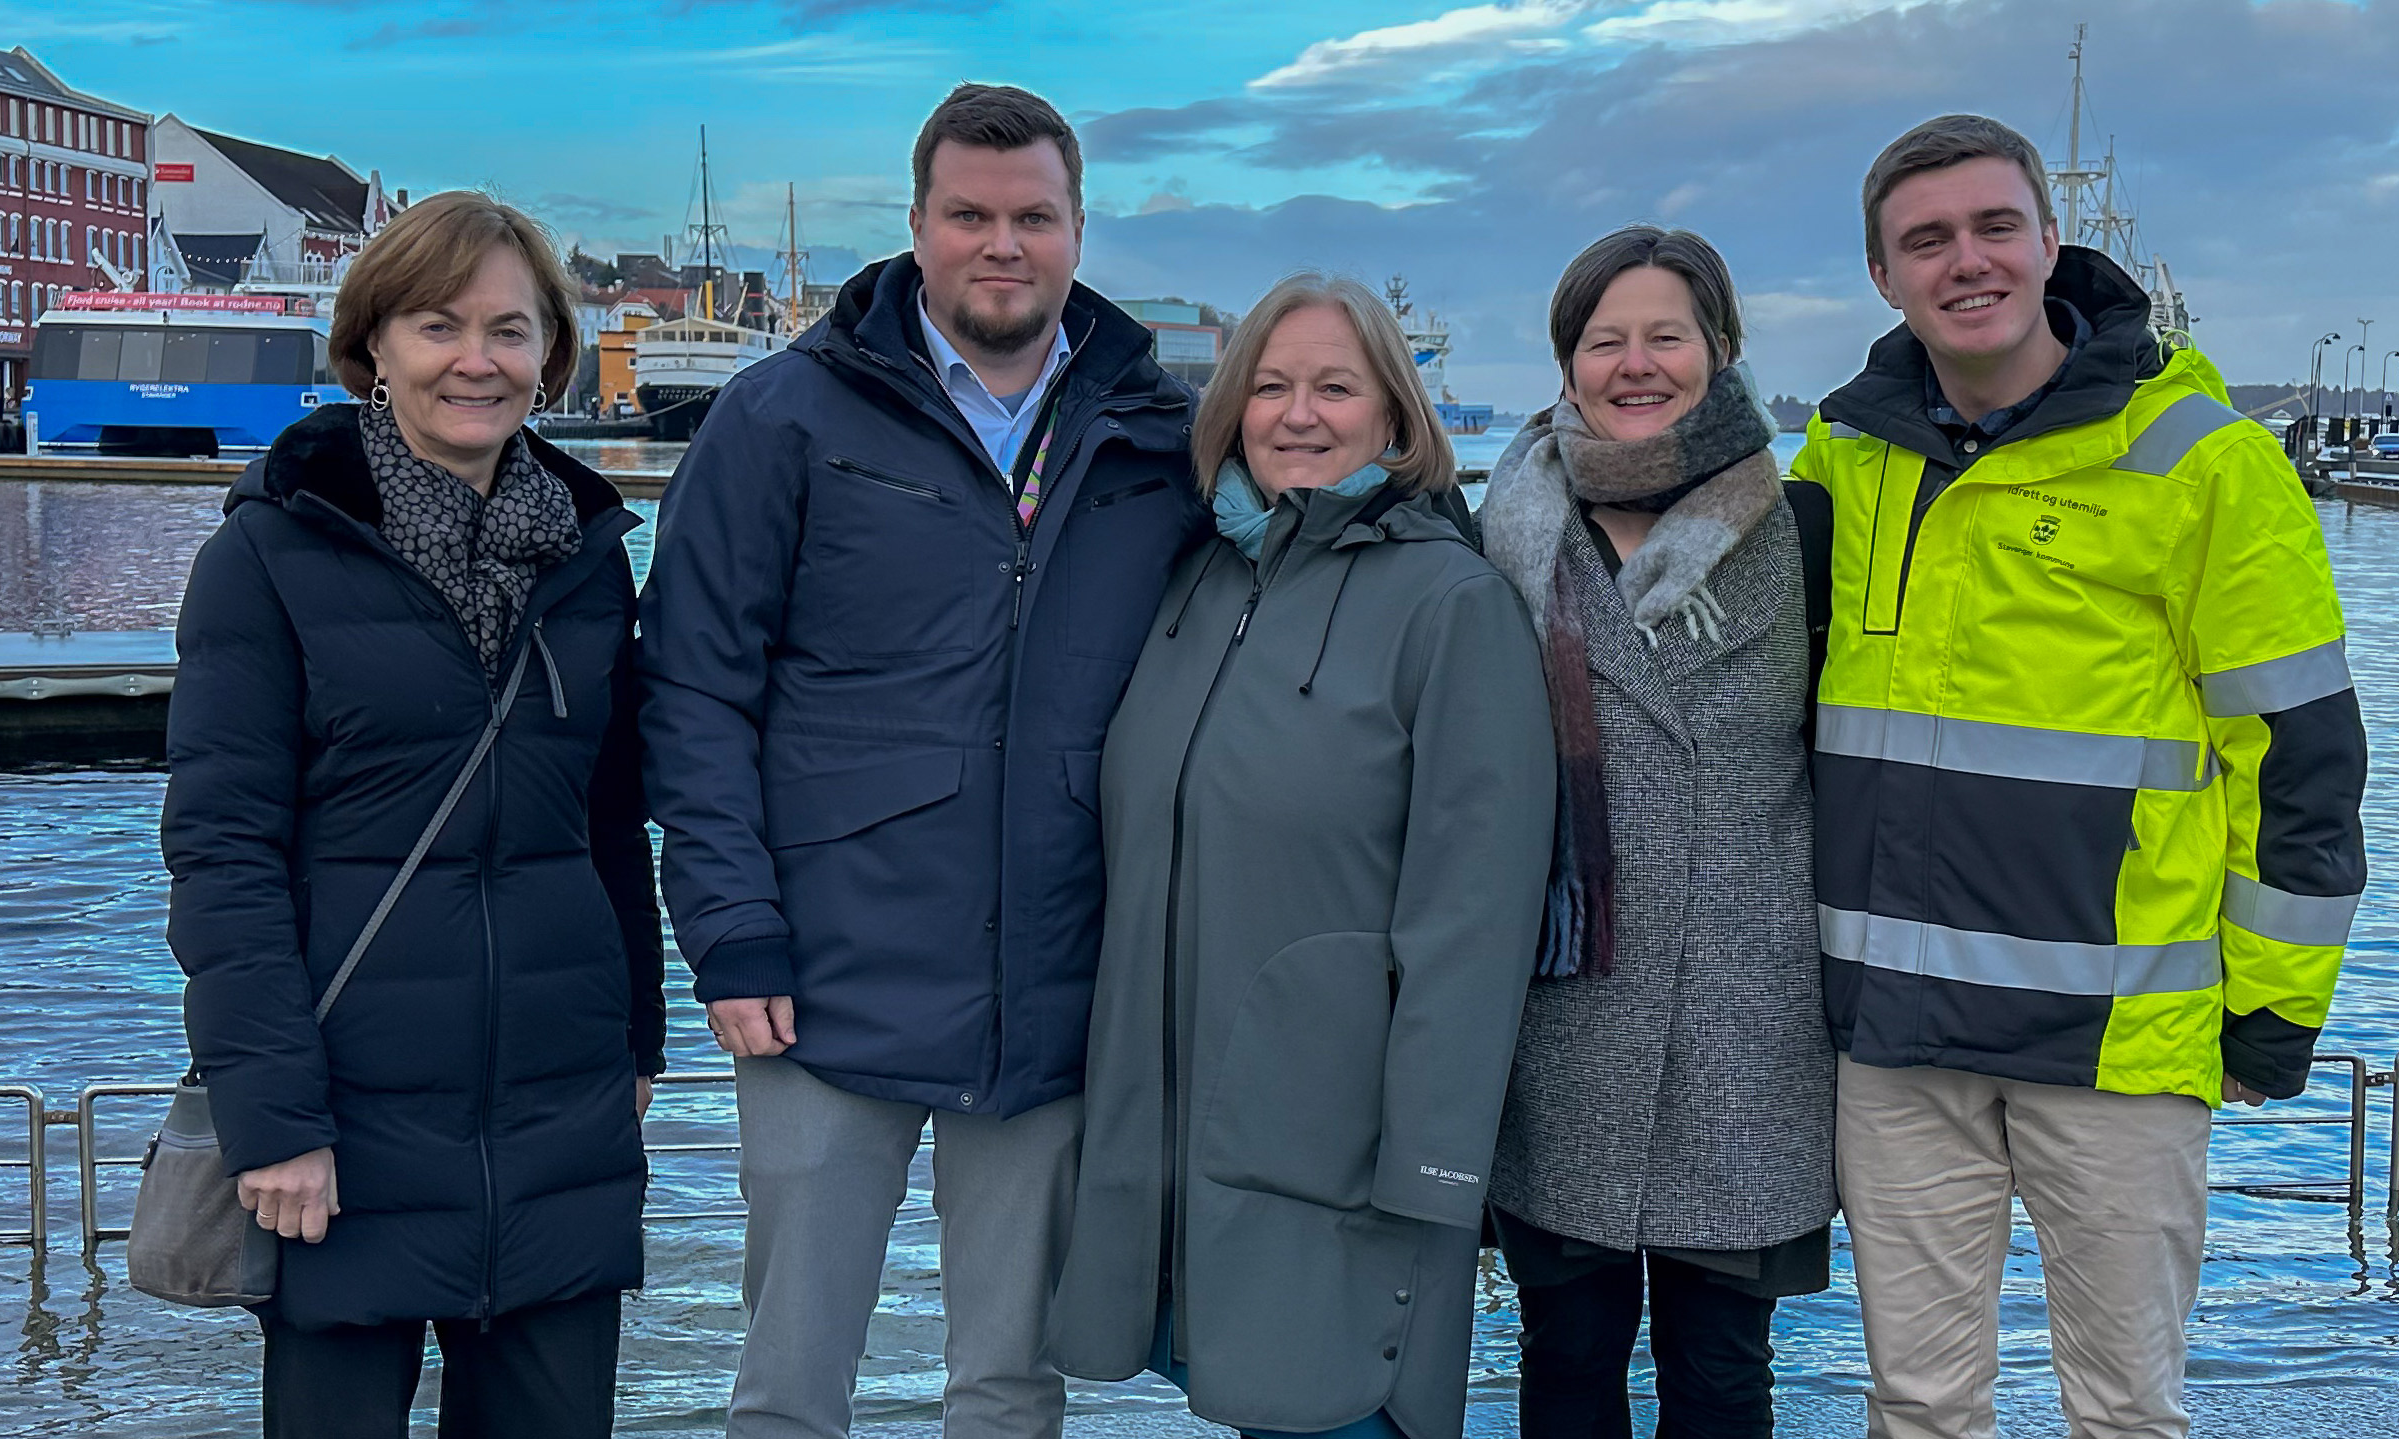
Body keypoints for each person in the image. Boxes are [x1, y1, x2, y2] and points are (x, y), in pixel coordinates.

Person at [638, 84, 1207, 1439]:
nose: (999, 243)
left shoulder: (1153, 438)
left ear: (1076, 229)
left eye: (1031, 216)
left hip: (1056, 979)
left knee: (1011, 1383)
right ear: (914, 226)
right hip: (817, 977)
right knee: (788, 1383)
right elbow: (691, 691)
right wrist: (730, 933)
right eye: (969, 215)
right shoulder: (780, 418)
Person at [1793, 114, 2368, 1438]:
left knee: (2120, 1409)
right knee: (1917, 1403)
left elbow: (2299, 759)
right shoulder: (1844, 459)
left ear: (2050, 240)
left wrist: (2271, 1011)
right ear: (1881, 276)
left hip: (2111, 1042)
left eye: (1994, 225)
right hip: (1892, 1039)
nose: (1965, 261)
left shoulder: (2202, 463)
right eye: (1922, 240)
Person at [162, 191, 666, 1439]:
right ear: (373, 343)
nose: (476, 362)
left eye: (510, 329)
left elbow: (611, 823)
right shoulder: (271, 552)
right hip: (344, 1118)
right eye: (439, 325)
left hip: (558, 1109)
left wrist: (639, 1041)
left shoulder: (590, 559)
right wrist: (274, 1119)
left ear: (551, 351)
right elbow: (222, 853)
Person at [1046, 273, 1556, 1439]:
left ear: (1395, 416)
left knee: (1339, 1411)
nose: (1300, 413)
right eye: (1270, 386)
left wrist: (1431, 1176)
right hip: (1189, 1140)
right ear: (1229, 410)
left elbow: (1474, 924)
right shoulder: (1201, 580)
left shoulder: (1452, 605)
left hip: (1353, 1155)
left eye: (1336, 385)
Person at [1477, 226, 1836, 1437]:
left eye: (1666, 336)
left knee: (1723, 1371)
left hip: (1749, 1018)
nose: (1636, 364)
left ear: (1721, 349)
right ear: (1567, 362)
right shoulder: (1502, 538)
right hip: (1566, 1011)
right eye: (1603, 339)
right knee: (1566, 1359)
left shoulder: (1805, 531)